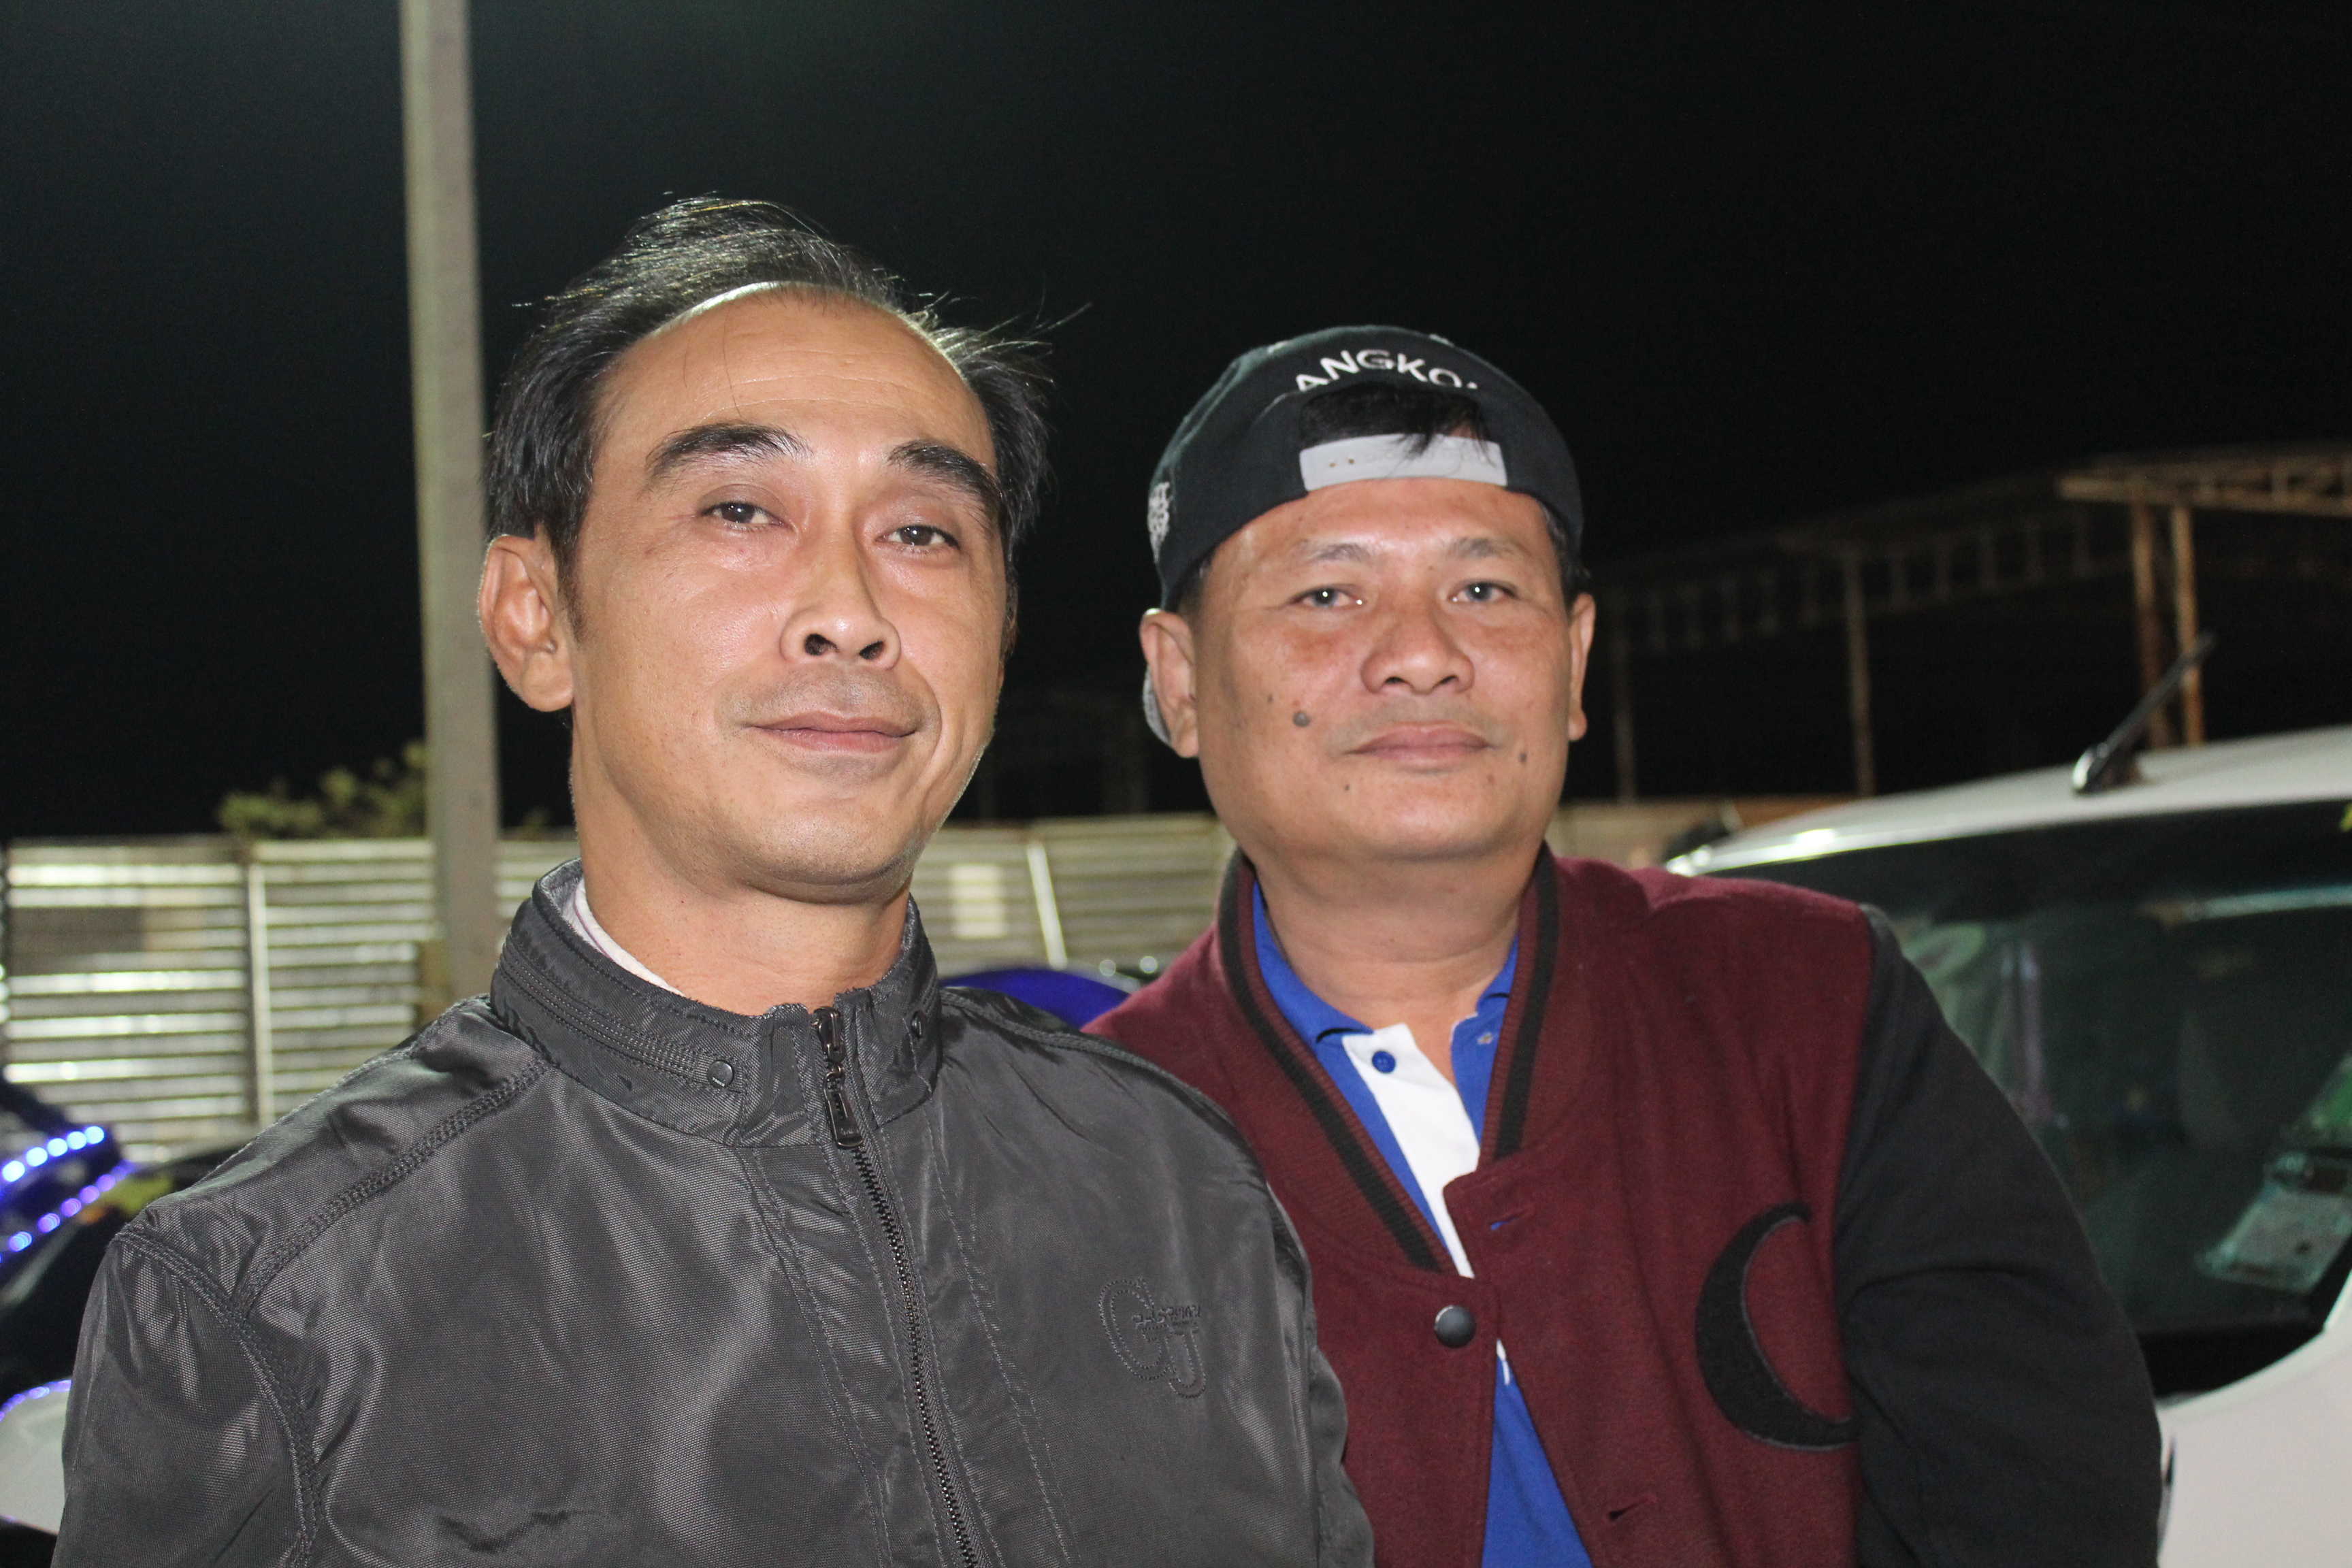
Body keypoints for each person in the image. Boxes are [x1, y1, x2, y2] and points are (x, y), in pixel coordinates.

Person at [54, 202, 1370, 1567]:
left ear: (1001, 632)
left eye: (924, 533)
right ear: (536, 618)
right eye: (739, 511)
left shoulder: (1175, 1179)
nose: (850, 612)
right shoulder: (272, 1299)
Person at [1093, 326, 2163, 1568]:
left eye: (1485, 590)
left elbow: (2043, 1487)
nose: (1424, 654)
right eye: (1329, 594)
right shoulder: (1093, 1140)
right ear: (1180, 680)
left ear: (1575, 659)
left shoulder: (1808, 1000)